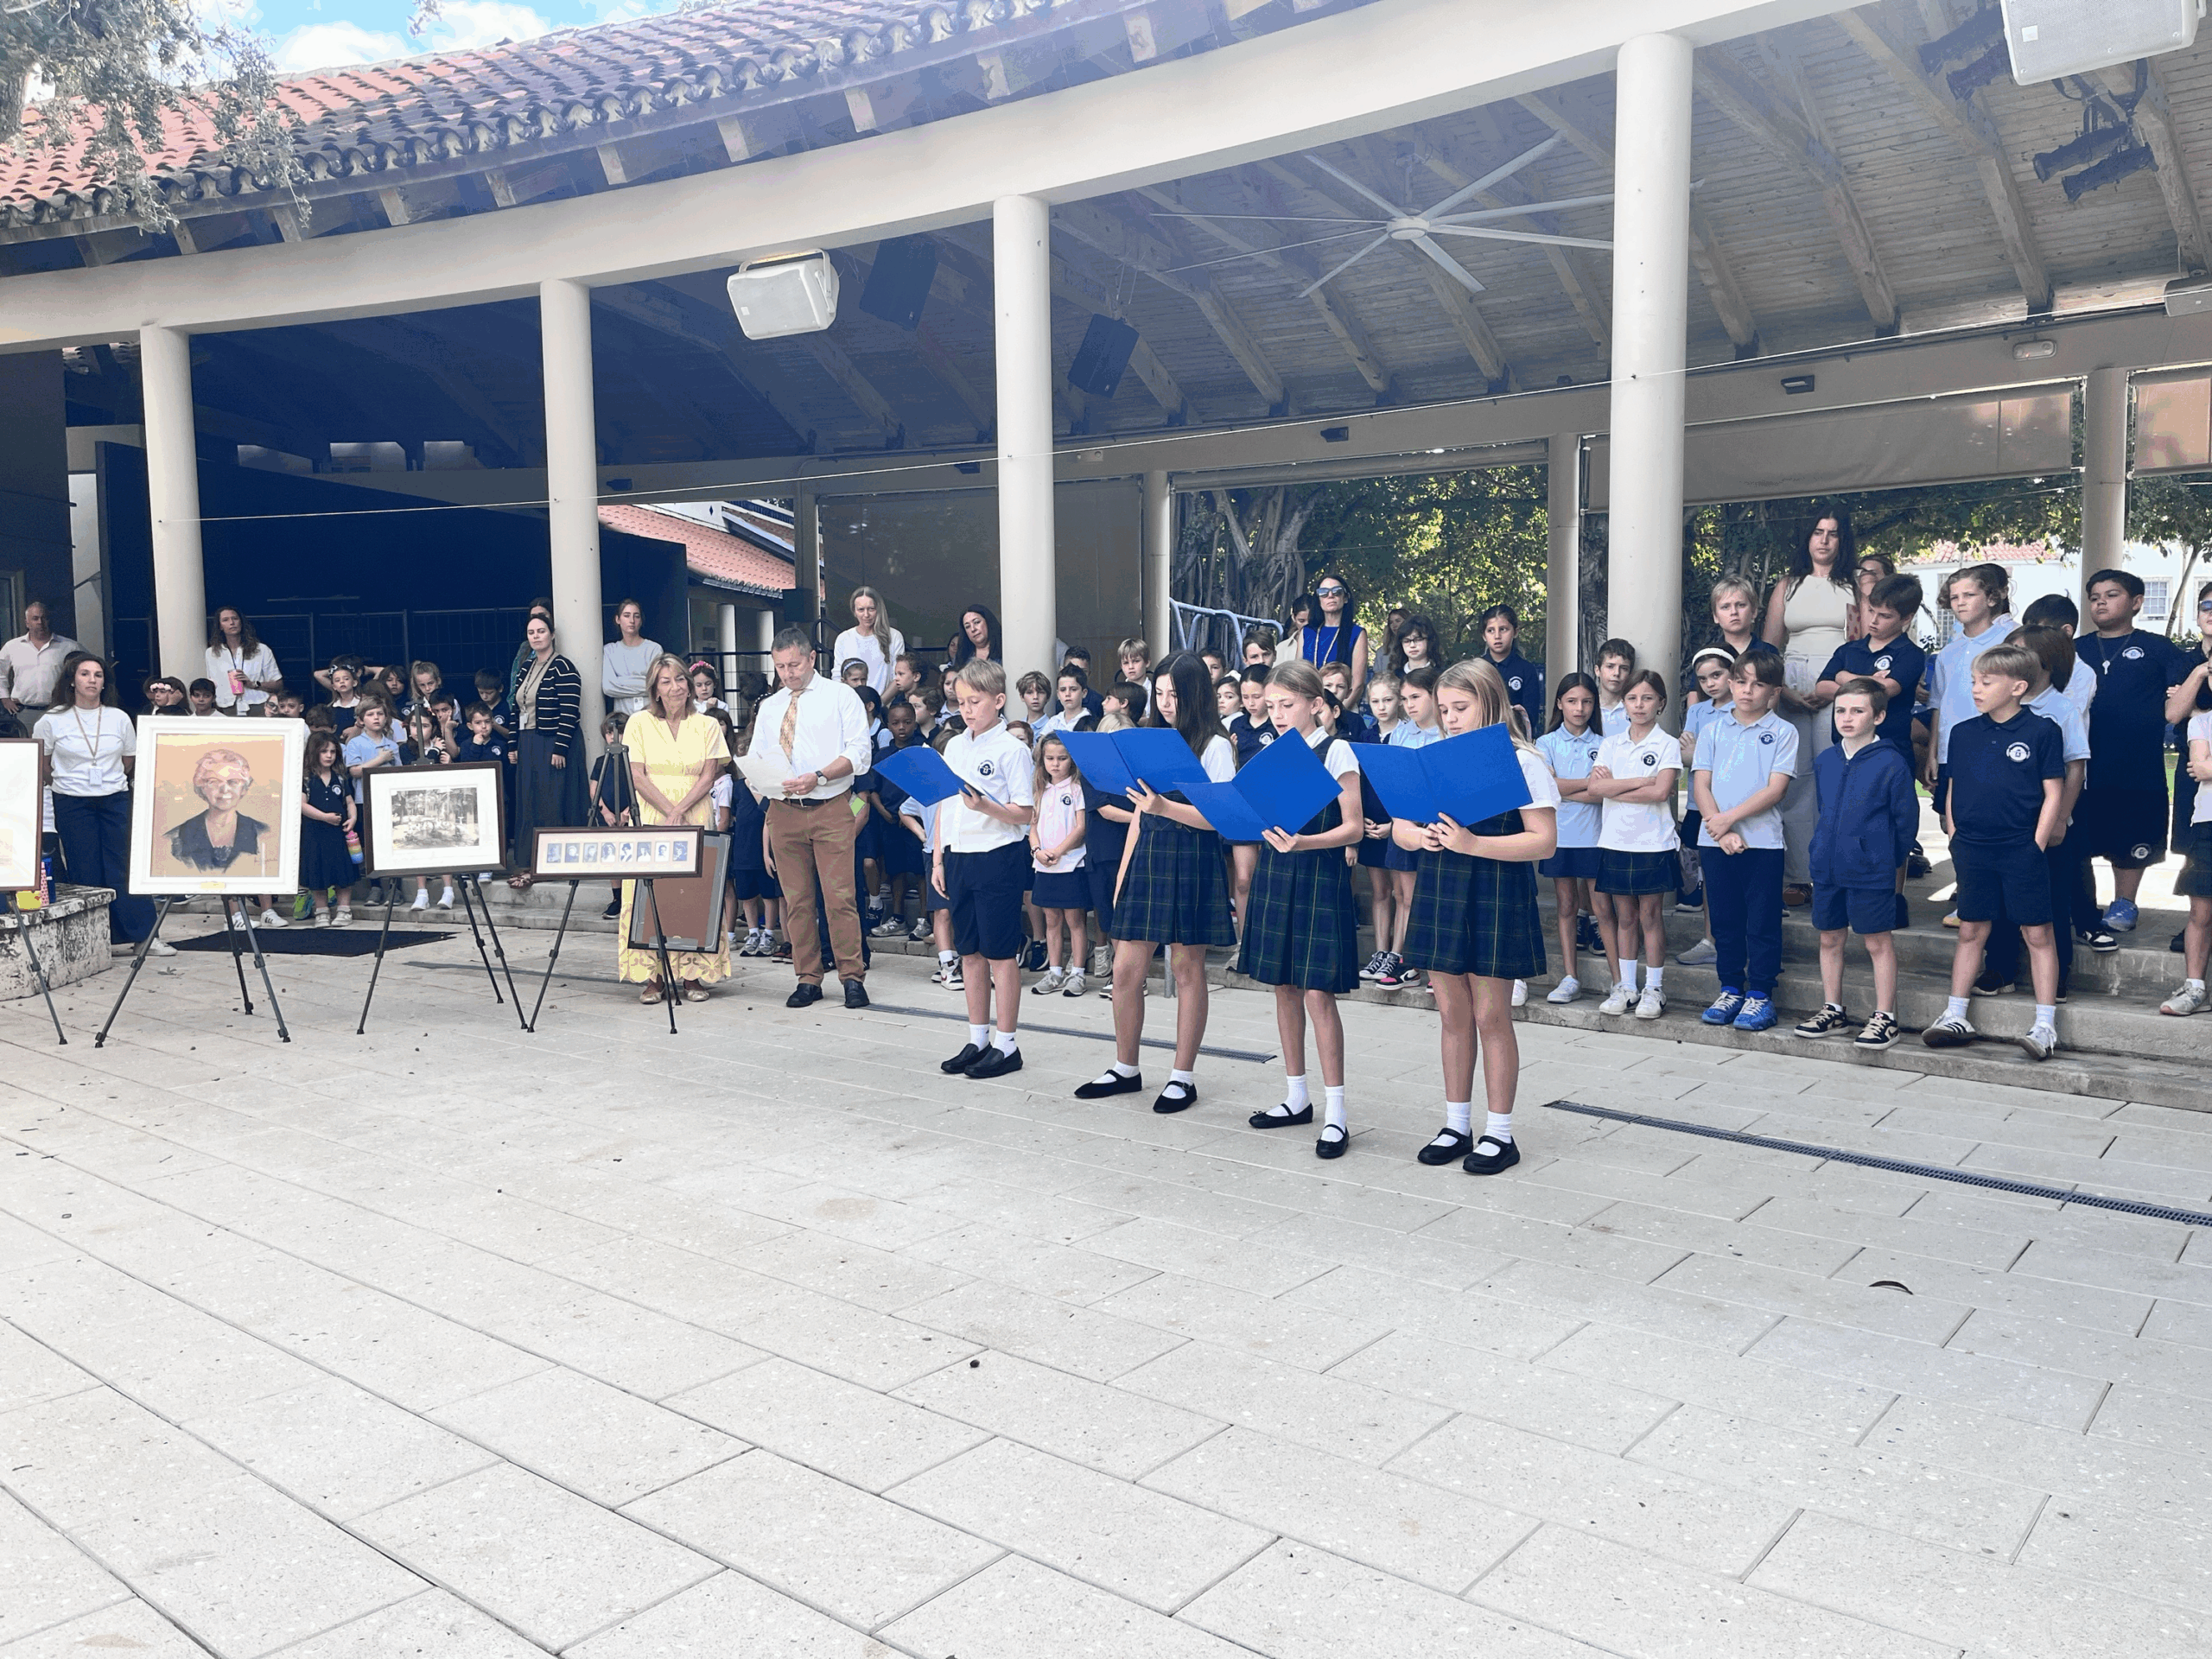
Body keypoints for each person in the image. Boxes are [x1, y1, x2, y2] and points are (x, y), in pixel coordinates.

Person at [1396, 660, 1558, 1176]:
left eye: (1461, 708)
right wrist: (1415, 836)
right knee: (1451, 1014)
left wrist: (1474, 844)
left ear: (1488, 702)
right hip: (1442, 889)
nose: (1452, 719)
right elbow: (1400, 824)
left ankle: (1500, 1133)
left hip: (1494, 888)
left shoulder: (1523, 760)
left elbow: (1544, 841)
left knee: (1491, 1015)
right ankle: (1456, 1123)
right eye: (1444, 710)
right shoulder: (1432, 757)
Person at [1074, 652, 1236, 1110]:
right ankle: (1126, 1067)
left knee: (1186, 970)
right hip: (1148, 854)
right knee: (1125, 970)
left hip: (1194, 855)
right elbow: (1140, 818)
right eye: (1160, 693)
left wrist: (1165, 808)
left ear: (1197, 695)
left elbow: (1219, 819)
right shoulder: (1147, 738)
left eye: (1175, 695)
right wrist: (1124, 872)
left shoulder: (1215, 745)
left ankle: (1182, 1076)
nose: (1166, 703)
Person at [1236, 662, 1366, 1159]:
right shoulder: (1271, 753)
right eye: (1269, 707)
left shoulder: (1338, 751)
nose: (1277, 715)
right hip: (1277, 872)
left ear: (1315, 703)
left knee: (1318, 994)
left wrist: (1305, 841)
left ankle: (1336, 1113)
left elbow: (1354, 827)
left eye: (1286, 705)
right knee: (1283, 986)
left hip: (1317, 875)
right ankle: (1296, 1096)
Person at [1923, 642, 2065, 1059]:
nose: (1977, 689)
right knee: (1971, 930)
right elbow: (1952, 786)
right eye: (1973, 682)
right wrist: (1953, 832)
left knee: (2037, 933)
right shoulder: (1963, 732)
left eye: (1987, 682)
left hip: (2019, 847)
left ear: (2018, 686)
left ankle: (2044, 1024)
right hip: (1972, 848)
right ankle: (1955, 1013)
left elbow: (2053, 793)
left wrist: (2036, 843)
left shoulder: (2042, 731)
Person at [750, 626, 874, 1009]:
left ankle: (852, 977)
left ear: (812, 658)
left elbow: (859, 753)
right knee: (797, 900)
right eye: (780, 666)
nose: (788, 673)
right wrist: (762, 787)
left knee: (840, 898)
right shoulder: (771, 706)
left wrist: (818, 776)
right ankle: (807, 978)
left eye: (794, 664)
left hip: (831, 804)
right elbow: (757, 756)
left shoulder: (841, 697)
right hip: (784, 810)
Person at [1797, 677, 1918, 1048]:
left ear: (1879, 716)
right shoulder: (1826, 760)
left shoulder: (1892, 763)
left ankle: (1886, 1017)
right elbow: (1824, 812)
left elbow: (1905, 821)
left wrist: (1883, 859)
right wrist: (1820, 850)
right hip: (1829, 867)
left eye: (1857, 711)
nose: (1846, 718)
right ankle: (1833, 1009)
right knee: (1830, 937)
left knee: (1877, 942)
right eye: (1840, 711)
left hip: (1871, 869)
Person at [931, 660, 1037, 1077]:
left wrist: (986, 806)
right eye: (960, 702)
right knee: (969, 952)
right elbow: (943, 803)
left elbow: (1024, 813)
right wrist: (939, 856)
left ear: (998, 700)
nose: (967, 710)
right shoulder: (955, 746)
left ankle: (1007, 1044)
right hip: (958, 855)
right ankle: (977, 1038)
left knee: (1000, 953)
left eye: (974, 701)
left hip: (997, 856)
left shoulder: (1012, 750)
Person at [2073, 569, 2190, 938]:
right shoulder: (2076, 649)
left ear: (2136, 602)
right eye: (2094, 597)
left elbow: (2185, 691)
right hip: (2084, 762)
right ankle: (2081, 902)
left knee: (2132, 834)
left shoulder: (2158, 648)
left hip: (2137, 765)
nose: (2101, 602)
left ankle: (2124, 902)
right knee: (2080, 837)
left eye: (2111, 595)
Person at [1979, 626, 2092, 997]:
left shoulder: (2060, 708)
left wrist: (2061, 817)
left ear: (2042, 662)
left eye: (2017, 649)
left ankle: (2057, 977)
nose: (2007, 654)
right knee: (1999, 900)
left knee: (2052, 899)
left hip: (2046, 821)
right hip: (2004, 824)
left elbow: (2075, 765)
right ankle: (2000, 969)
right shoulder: (2000, 705)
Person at [35, 653, 168, 956]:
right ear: (72, 680)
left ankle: (144, 937)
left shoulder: (118, 717)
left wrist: (107, 780)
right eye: (85, 674)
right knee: (85, 867)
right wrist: (68, 781)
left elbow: (128, 759)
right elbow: (44, 764)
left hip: (114, 797)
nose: (92, 680)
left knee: (122, 865)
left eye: (97, 675)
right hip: (71, 799)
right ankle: (96, 941)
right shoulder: (51, 720)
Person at [1689, 652, 1794, 1032]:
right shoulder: (1713, 730)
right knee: (1725, 919)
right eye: (1741, 681)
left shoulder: (1783, 732)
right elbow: (1701, 782)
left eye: (1758, 684)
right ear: (1731, 683)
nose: (1747, 690)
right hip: (1715, 841)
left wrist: (1728, 821)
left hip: (1762, 843)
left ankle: (1761, 994)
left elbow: (1776, 788)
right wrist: (1720, 829)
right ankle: (1731, 987)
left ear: (1773, 691)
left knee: (1762, 921)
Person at [620, 655, 733, 1005]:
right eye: (666, 681)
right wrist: (669, 811)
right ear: (655, 687)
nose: (675, 687)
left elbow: (709, 773)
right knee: (648, 894)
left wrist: (682, 809)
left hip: (695, 811)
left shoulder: (708, 726)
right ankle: (652, 976)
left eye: (681, 680)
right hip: (653, 814)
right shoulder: (638, 723)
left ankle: (692, 975)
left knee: (692, 893)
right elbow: (636, 775)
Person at [1764, 509, 1859, 906]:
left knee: (1834, 777)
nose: (1824, 540)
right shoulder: (1787, 586)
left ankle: (1836, 873)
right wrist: (1783, 690)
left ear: (1842, 541)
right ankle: (1799, 876)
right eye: (1817, 532)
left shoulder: (1855, 587)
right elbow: (1769, 648)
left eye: (1833, 534)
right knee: (1795, 781)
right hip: (1791, 686)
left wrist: (1837, 689)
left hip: (1838, 688)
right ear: (1807, 538)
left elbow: (1858, 644)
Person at [1537, 672, 1606, 1004]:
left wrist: (1566, 787)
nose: (1580, 708)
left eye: (1587, 701)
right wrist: (1586, 784)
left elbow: (1603, 795)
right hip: (1559, 836)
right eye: (1572, 701)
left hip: (1595, 836)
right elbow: (1548, 790)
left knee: (1602, 908)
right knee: (1566, 906)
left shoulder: (1605, 745)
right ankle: (1570, 976)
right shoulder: (1545, 743)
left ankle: (1618, 978)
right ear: (1559, 703)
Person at [507, 613, 584, 891]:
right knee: (528, 800)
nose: (536, 636)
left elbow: (569, 711)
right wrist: (513, 744)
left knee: (552, 800)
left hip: (552, 742)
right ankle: (529, 862)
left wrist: (561, 747)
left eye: (541, 631)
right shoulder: (526, 667)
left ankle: (555, 863)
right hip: (528, 743)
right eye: (531, 632)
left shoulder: (563, 667)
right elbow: (516, 709)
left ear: (551, 634)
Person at [2159, 686, 2212, 1015]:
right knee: (2200, 913)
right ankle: (2195, 989)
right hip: (2207, 822)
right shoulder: (2201, 723)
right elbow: (2200, 767)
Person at [1028, 734, 1090, 996]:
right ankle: (1054, 972)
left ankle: (1078, 972)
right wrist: (1038, 850)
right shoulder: (1039, 790)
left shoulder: (1076, 788)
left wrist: (1059, 850)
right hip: (1044, 864)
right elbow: (1032, 826)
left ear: (1071, 761)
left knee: (1074, 919)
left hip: (1071, 863)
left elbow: (1081, 826)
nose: (1055, 764)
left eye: (1062, 758)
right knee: (1051, 919)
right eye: (1050, 758)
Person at [397, 709, 455, 913]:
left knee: (443, 841)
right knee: (418, 845)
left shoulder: (442, 745)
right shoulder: (406, 749)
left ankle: (448, 890)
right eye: (414, 726)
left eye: (424, 726)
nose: (419, 731)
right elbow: (419, 769)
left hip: (441, 801)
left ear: (433, 728)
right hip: (417, 804)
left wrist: (448, 763)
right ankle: (422, 893)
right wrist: (434, 753)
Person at [298, 732, 358, 927]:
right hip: (314, 833)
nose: (329, 755)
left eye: (333, 751)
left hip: (338, 833)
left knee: (342, 872)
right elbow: (301, 804)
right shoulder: (306, 778)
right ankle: (321, 911)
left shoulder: (340, 777)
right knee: (317, 872)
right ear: (314, 752)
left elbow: (349, 801)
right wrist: (325, 818)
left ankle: (344, 910)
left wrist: (353, 818)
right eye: (324, 751)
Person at [583, 713, 638, 918]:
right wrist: (605, 811)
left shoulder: (634, 760)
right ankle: (617, 898)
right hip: (607, 817)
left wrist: (627, 813)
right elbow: (593, 789)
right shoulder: (601, 761)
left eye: (620, 732)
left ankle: (633, 898)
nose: (614, 737)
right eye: (609, 733)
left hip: (630, 815)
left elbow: (640, 787)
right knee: (611, 858)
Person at [1, 601, 79, 734]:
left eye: (44, 618)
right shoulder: (12, 647)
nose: (40, 622)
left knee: (59, 752)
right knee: (29, 753)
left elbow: (88, 671)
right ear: (27, 623)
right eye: (35, 618)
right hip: (25, 713)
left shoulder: (69, 647)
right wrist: (5, 698)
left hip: (59, 712)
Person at [1295, 572, 1370, 701]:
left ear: (1345, 598)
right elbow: (1298, 676)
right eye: (1324, 592)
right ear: (1319, 600)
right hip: (1308, 706)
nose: (1330, 595)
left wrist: (1337, 714)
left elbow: (1357, 685)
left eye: (1337, 591)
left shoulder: (1357, 633)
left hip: (1343, 708)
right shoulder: (1306, 632)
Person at [1479, 604, 1545, 735]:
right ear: (1484, 636)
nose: (1497, 636)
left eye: (1503, 629)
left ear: (1515, 632)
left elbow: (1530, 716)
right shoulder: (1477, 668)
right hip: (1481, 736)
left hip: (1515, 738)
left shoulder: (1526, 669)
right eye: (1491, 630)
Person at [203, 607, 279, 716]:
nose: (232, 623)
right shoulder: (211, 653)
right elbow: (212, 685)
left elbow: (278, 684)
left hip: (258, 705)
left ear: (241, 622)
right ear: (220, 626)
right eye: (226, 620)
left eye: (235, 618)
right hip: (226, 708)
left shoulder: (261, 650)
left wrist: (253, 684)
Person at [831, 587, 905, 697]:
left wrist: (879, 705)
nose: (866, 615)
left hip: (885, 706)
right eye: (861, 610)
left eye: (871, 609)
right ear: (854, 612)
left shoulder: (894, 636)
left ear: (878, 609)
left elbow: (898, 677)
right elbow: (837, 677)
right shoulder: (844, 639)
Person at [601, 598, 662, 718]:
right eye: (626, 615)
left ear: (641, 620)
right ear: (618, 619)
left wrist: (621, 681)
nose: (632, 621)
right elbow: (608, 688)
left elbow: (657, 686)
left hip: (651, 716)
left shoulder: (654, 649)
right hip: (623, 720)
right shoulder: (609, 650)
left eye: (636, 616)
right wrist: (643, 682)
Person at [1592, 639, 1635, 735]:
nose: (1616, 673)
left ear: (1630, 674)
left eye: (1624, 668)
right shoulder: (1588, 707)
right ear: (1597, 670)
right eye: (1610, 666)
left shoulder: (1634, 709)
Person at [950, 604, 1002, 669]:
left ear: (988, 622)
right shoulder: (961, 657)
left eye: (977, 622)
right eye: (967, 626)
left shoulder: (1005, 649)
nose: (973, 629)